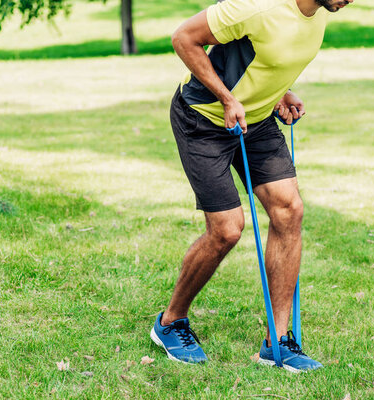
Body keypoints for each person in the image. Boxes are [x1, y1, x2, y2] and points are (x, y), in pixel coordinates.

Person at [150, 0, 353, 371]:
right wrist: (227, 99)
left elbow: (268, 56)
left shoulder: (321, 11)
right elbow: (183, 38)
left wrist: (279, 93)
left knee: (289, 209)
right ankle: (170, 321)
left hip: (255, 121)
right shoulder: (256, 7)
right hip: (203, 121)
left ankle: (277, 343)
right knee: (227, 230)